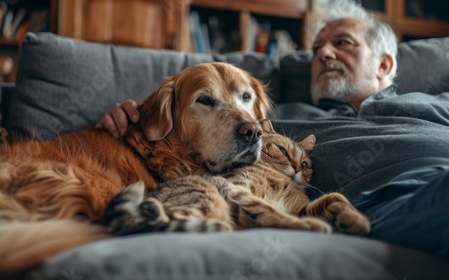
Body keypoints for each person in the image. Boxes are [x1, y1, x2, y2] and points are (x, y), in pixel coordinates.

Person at [97, 1, 449, 258]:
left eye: (341, 43)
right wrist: (133, 116)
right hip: (372, 209)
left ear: (384, 63)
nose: (323, 53)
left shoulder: (438, 104)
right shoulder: (278, 123)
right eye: (316, 49)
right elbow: (176, 143)